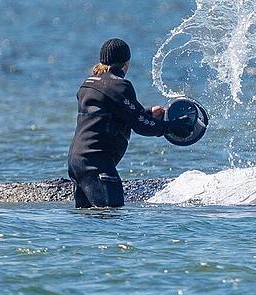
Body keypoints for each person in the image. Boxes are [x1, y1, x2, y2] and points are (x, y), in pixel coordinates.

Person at [68, 38, 193, 208]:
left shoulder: (88, 84)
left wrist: (148, 113)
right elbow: (141, 126)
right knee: (112, 217)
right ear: (126, 63)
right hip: (97, 163)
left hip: (76, 161)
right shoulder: (119, 85)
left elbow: (111, 115)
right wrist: (171, 127)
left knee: (88, 223)